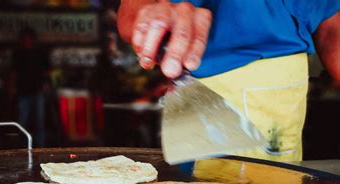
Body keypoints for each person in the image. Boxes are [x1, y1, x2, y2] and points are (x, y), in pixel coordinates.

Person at [117, 1, 340, 161]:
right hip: (203, 104)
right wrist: (152, 19)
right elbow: (131, 13)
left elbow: (330, 28)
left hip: (284, 109)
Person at [11, 27, 50, 147]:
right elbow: (14, 73)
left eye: (29, 39)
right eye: (25, 39)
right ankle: (23, 146)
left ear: (33, 40)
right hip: (23, 92)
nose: (27, 41)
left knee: (40, 122)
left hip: (37, 91)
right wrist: (12, 87)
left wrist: (45, 84)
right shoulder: (18, 54)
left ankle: (40, 146)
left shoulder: (40, 53)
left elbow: (47, 70)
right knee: (22, 122)